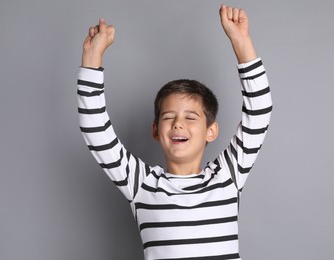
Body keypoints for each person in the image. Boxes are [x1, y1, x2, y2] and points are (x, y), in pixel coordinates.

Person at [77, 4, 272, 259]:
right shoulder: (142, 185)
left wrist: (241, 41)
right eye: (169, 117)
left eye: (191, 117)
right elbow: (95, 129)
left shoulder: (227, 177)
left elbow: (259, 112)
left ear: (210, 131)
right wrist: (92, 59)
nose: (178, 124)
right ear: (156, 131)